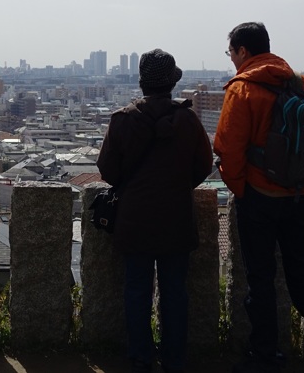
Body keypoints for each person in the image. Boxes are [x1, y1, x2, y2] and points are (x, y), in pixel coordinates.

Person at [214, 22, 304, 373]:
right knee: (303, 275)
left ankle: (265, 355)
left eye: (231, 53)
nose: (232, 60)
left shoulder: (242, 89)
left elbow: (228, 148)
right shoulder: (302, 83)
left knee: (261, 278)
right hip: (299, 194)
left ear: (243, 52)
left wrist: (240, 189)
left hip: (259, 196)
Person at [97, 48, 214, 373]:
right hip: (176, 217)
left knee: (136, 288)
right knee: (175, 290)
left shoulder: (123, 119)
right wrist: (177, 184)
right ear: (171, 84)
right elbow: (204, 165)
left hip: (134, 219)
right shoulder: (188, 120)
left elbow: (107, 170)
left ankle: (140, 356)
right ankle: (175, 358)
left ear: (142, 83)